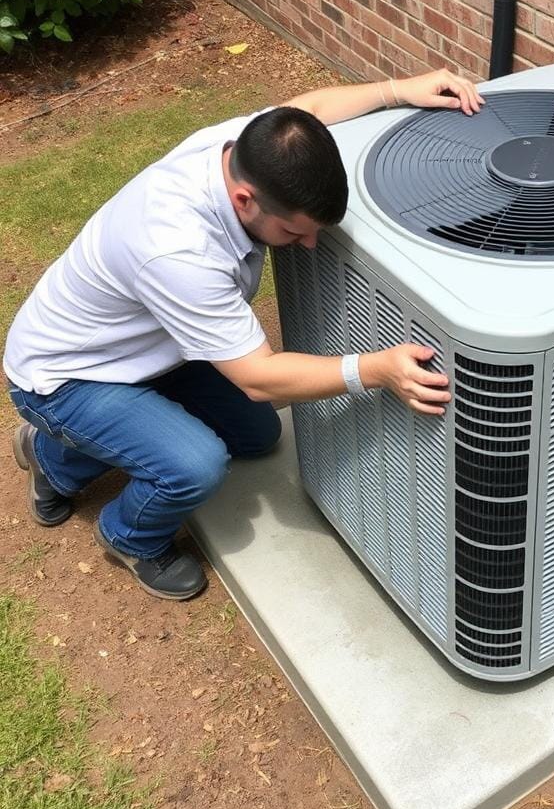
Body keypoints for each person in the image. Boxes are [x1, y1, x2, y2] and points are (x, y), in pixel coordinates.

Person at [4, 68, 484, 601]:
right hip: (69, 377)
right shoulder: (179, 251)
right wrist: (375, 369)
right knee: (196, 465)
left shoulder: (244, 150)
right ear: (243, 200)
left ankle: (79, 446)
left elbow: (308, 113)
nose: (308, 245)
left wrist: (396, 91)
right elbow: (259, 378)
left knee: (257, 436)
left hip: (147, 351)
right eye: (294, 231)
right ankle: (124, 529)